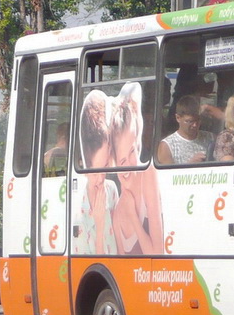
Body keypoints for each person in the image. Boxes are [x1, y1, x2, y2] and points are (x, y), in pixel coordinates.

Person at [110, 82, 164, 255]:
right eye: (121, 160)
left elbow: (157, 253)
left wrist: (133, 217)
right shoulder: (117, 211)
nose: (127, 166)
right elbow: (120, 267)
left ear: (138, 145)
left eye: (132, 151)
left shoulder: (148, 173)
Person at [74, 90, 118, 255]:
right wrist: (100, 226)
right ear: (85, 166)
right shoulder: (77, 203)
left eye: (105, 167)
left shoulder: (111, 188)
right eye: (95, 171)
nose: (101, 179)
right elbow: (91, 263)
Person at [158, 95, 214, 164]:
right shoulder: (167, 146)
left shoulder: (210, 138)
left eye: (198, 120)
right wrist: (190, 164)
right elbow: (166, 174)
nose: (195, 125)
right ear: (178, 118)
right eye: (190, 121)